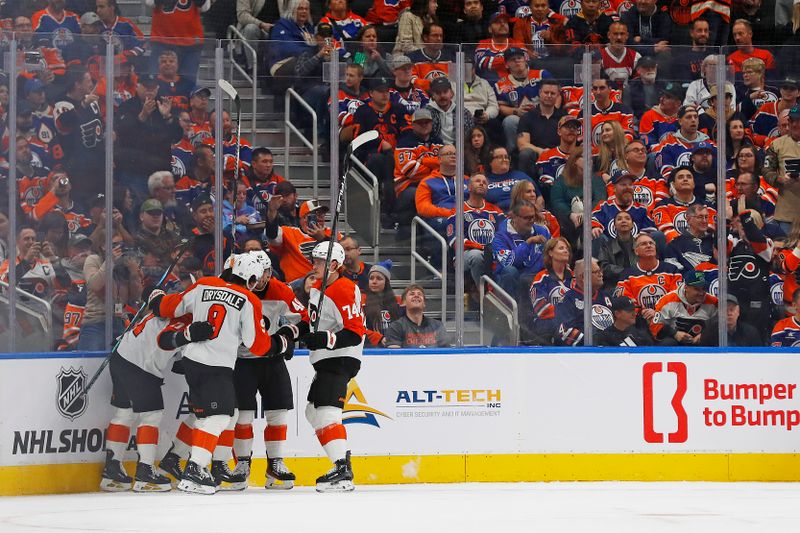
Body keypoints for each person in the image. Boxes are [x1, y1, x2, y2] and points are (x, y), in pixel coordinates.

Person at [149, 253, 292, 494]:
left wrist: (155, 298)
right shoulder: (248, 298)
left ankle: (197, 464)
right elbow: (257, 345)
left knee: (214, 415)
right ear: (250, 278)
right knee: (219, 416)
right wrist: (282, 344)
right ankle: (195, 468)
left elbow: (170, 307)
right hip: (216, 364)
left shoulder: (204, 284)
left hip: (192, 359)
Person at [100, 300, 213, 493]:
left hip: (121, 356)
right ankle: (145, 472)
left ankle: (111, 470)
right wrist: (187, 337)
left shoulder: (166, 304)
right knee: (151, 417)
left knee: (123, 414)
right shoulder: (185, 320)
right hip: (141, 368)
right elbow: (167, 339)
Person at [229, 249, 310, 490]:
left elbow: (304, 320)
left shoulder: (280, 290)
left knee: (278, 412)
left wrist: (286, 337)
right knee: (243, 416)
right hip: (240, 360)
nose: (262, 278)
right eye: (259, 272)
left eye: (265, 272)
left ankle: (275, 464)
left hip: (271, 359)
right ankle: (242, 465)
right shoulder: (235, 290)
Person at [301, 241, 366, 492]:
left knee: (327, 411)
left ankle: (341, 467)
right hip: (325, 358)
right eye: (314, 260)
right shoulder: (318, 289)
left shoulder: (343, 288)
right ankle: (342, 460)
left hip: (340, 357)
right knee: (312, 412)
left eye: (319, 261)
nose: (313, 265)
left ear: (334, 265)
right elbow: (312, 323)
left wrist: (325, 339)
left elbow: (355, 332)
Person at [446, 173, 505, 288]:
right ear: (469, 187)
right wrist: (480, 247)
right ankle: (484, 292)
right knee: (476, 256)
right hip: (465, 256)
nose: (482, 183)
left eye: (485, 182)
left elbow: (504, 234)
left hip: (492, 252)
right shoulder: (457, 210)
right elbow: (455, 240)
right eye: (478, 181)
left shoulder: (495, 211)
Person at [494, 47, 554, 152]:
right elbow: (500, 107)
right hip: (520, 119)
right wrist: (516, 111)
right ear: (507, 65)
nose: (517, 61)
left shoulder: (542, 75)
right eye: (512, 59)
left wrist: (553, 111)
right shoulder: (500, 85)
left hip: (544, 116)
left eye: (519, 58)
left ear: (525, 60)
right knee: (510, 121)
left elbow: (557, 95)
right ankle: (513, 154)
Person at [265, 199, 336, 282]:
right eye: (316, 214)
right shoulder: (289, 233)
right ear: (305, 217)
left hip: (324, 283)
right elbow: (272, 236)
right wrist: (272, 213)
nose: (321, 217)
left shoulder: (333, 234)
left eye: (322, 214)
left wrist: (323, 239)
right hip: (297, 286)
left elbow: (339, 258)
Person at [393, 107, 443, 225]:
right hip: (407, 186)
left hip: (433, 183)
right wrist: (435, 164)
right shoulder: (405, 142)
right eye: (420, 122)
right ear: (413, 125)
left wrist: (423, 161)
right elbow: (411, 171)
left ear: (432, 124)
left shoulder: (438, 141)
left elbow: (447, 165)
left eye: (427, 122)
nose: (424, 125)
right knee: (420, 194)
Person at [491, 199, 551, 299]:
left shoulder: (542, 231)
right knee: (510, 271)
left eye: (533, 217)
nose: (531, 221)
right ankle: (511, 312)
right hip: (512, 282)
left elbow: (552, 254)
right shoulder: (500, 237)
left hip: (534, 279)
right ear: (514, 217)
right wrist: (528, 243)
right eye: (527, 218)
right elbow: (509, 262)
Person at [146, 0, 210, 85]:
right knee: (157, 83)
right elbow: (150, 3)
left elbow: (205, 7)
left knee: (187, 84)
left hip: (190, 41)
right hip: (162, 39)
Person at [649, 269, 719, 345]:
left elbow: (723, 324)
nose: (701, 293)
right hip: (674, 343)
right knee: (667, 343)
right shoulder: (667, 301)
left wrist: (705, 335)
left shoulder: (714, 302)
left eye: (704, 288)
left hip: (702, 343)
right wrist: (674, 334)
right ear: (686, 287)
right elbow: (655, 326)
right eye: (697, 289)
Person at [553, 258, 613, 345]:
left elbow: (617, 326)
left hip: (611, 350)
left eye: (601, 271)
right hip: (583, 353)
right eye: (596, 272)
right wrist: (594, 344)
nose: (601, 274)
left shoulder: (605, 297)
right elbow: (565, 331)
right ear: (583, 277)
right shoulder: (568, 300)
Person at [764, 105, 800, 235]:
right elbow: (767, 170)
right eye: (792, 120)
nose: (795, 124)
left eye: (799, 120)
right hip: (786, 213)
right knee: (786, 253)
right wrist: (780, 180)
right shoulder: (776, 145)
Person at [385, 284, 449, 347]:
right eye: (412, 294)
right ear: (403, 303)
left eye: (419, 294)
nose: (416, 296)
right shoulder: (396, 327)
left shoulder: (437, 326)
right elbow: (394, 355)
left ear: (424, 303)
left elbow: (447, 353)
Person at [363, 260, 401, 346]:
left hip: (394, 347)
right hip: (369, 349)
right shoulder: (361, 301)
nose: (374, 281)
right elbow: (358, 328)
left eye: (379, 278)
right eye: (371, 278)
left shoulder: (398, 302)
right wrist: (378, 338)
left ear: (386, 282)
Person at [596, 210, 637, 290]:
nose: (623, 221)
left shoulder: (640, 244)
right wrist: (624, 272)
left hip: (638, 282)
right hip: (614, 286)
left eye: (627, 218)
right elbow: (603, 267)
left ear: (632, 225)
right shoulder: (606, 246)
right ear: (614, 225)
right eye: (619, 219)